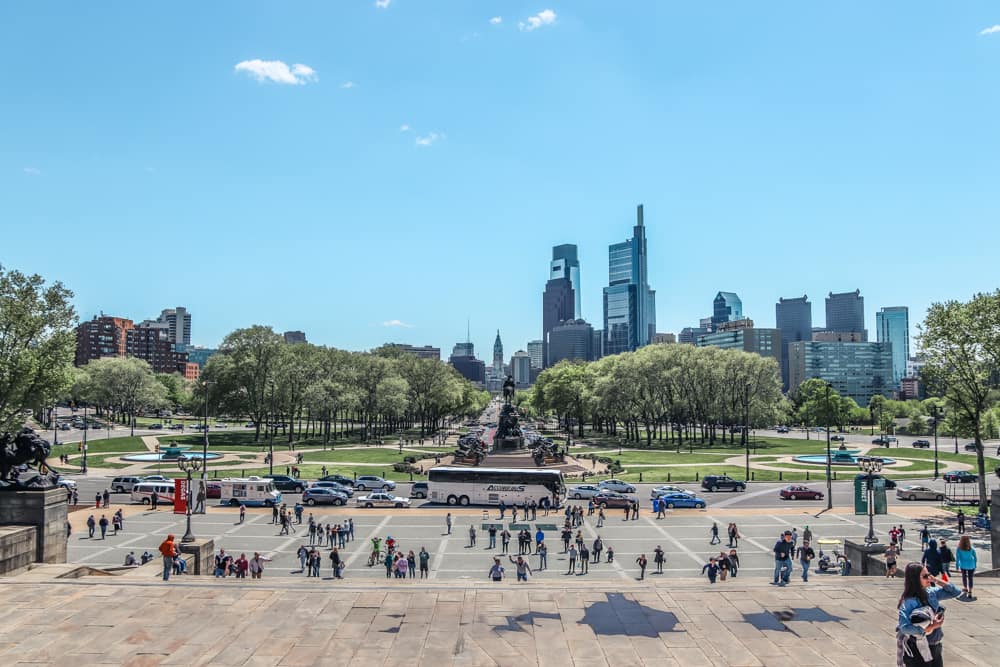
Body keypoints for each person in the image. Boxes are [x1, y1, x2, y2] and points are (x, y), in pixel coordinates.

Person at [896, 562, 961, 666]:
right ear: (915, 579)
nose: (929, 578)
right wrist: (931, 627)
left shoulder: (931, 592)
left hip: (935, 646)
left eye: (929, 574)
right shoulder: (909, 602)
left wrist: (936, 580)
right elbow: (904, 627)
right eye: (925, 576)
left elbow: (955, 592)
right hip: (917, 649)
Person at [955, 535, 976, 600]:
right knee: (970, 578)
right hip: (971, 564)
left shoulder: (959, 549)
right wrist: (975, 565)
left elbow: (957, 558)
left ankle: (965, 588)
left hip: (963, 565)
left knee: (964, 577)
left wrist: (957, 566)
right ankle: (970, 591)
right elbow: (975, 557)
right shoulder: (971, 548)